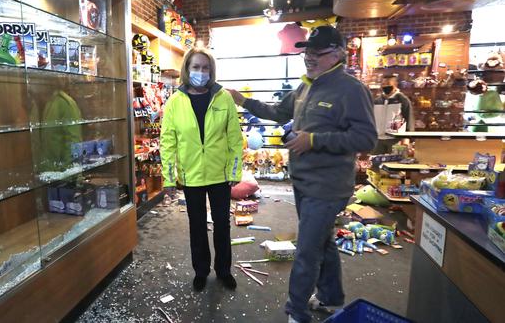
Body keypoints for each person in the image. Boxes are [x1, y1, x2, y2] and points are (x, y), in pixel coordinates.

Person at [228, 26, 377, 323]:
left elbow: (366, 138)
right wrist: (243, 101)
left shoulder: (351, 89)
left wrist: (314, 140)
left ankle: (296, 312)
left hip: (328, 186)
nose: (308, 58)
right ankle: (331, 297)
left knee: (307, 250)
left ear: (337, 54)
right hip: (303, 181)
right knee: (322, 241)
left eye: (317, 53)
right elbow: (279, 112)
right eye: (306, 52)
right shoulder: (306, 87)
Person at [160, 47, 243, 292]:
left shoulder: (223, 98)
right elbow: (168, 142)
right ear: (187, 70)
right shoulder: (175, 101)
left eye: (205, 68)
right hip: (191, 175)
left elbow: (235, 139)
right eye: (195, 67)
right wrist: (167, 178)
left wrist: (234, 171)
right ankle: (201, 271)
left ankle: (224, 270)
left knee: (222, 224)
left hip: (220, 175)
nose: (201, 72)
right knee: (196, 225)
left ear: (211, 71)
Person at [372, 74, 414, 154]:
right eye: (383, 84)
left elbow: (409, 119)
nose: (385, 86)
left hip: (395, 140)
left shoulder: (403, 100)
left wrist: (407, 139)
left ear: (395, 84)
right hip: (378, 140)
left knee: (394, 163)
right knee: (376, 164)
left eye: (388, 84)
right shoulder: (377, 101)